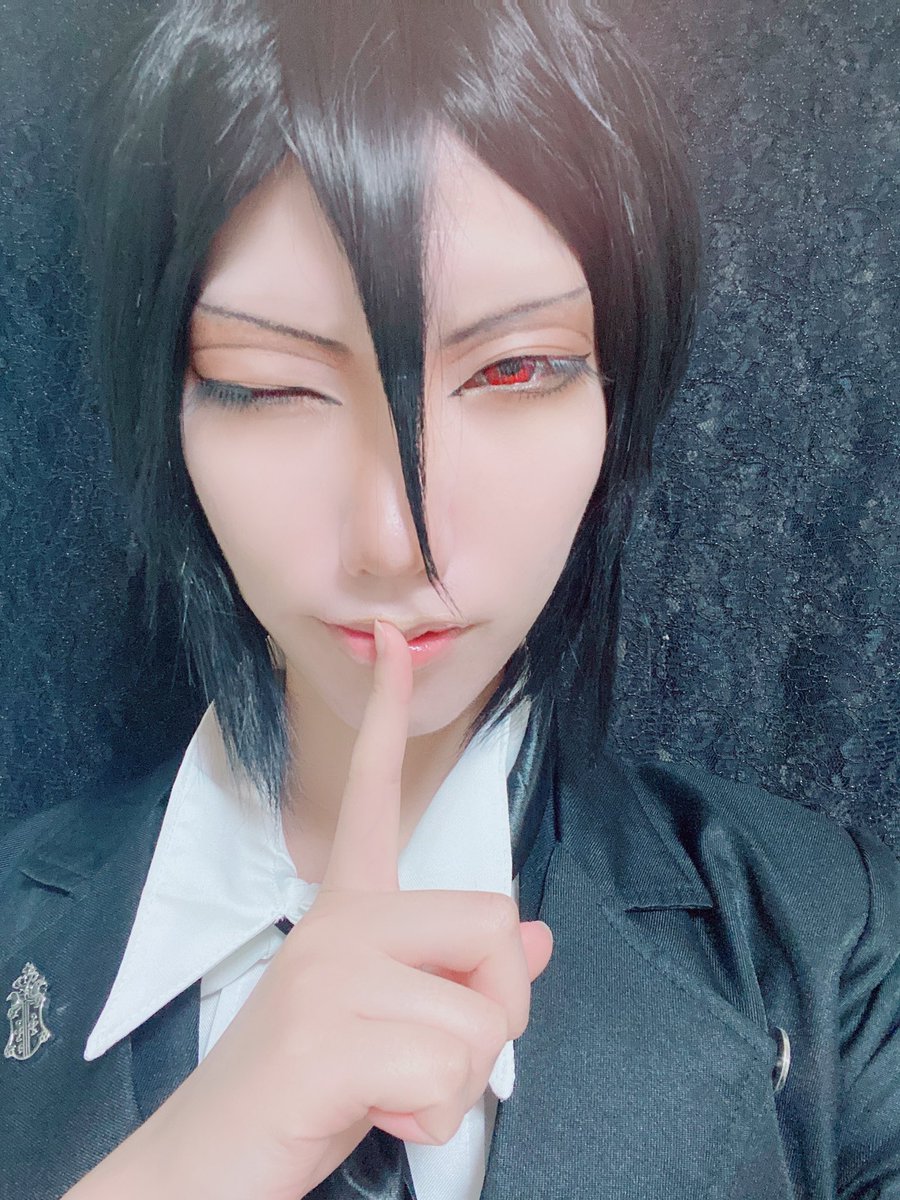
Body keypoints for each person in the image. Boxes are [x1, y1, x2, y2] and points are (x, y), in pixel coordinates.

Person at [1, 1, 898, 1197]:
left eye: (515, 368)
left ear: (617, 391)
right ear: (170, 404)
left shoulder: (826, 945)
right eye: (271, 384)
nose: (395, 541)